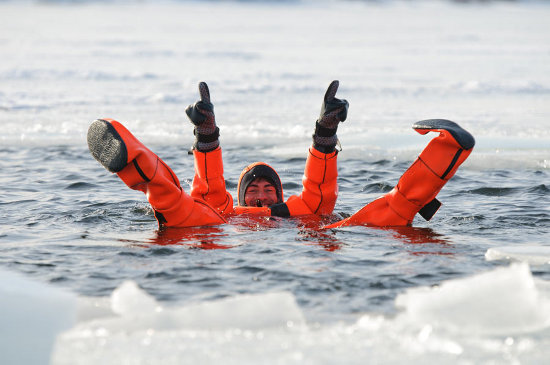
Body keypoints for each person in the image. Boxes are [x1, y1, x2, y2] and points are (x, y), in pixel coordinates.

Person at [87, 81, 475, 230]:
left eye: (267, 188)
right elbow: (210, 191)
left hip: (298, 242)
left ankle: (448, 149)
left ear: (281, 194)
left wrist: (325, 135)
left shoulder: (295, 211)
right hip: (214, 233)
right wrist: (206, 136)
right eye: (252, 187)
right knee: (182, 203)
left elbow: (319, 195)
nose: (259, 192)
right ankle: (132, 156)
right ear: (240, 197)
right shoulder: (225, 210)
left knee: (384, 212)